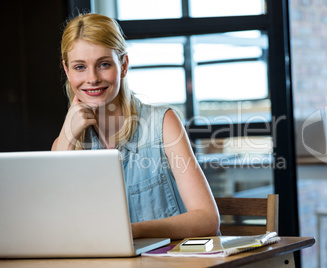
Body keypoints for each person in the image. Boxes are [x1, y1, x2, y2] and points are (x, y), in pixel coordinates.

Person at [52, 13, 220, 240]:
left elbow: (207, 219)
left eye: (103, 64)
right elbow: (55, 228)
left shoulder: (162, 123)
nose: (92, 78)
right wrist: (68, 137)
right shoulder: (64, 143)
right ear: (67, 70)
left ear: (123, 65)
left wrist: (133, 231)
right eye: (80, 67)